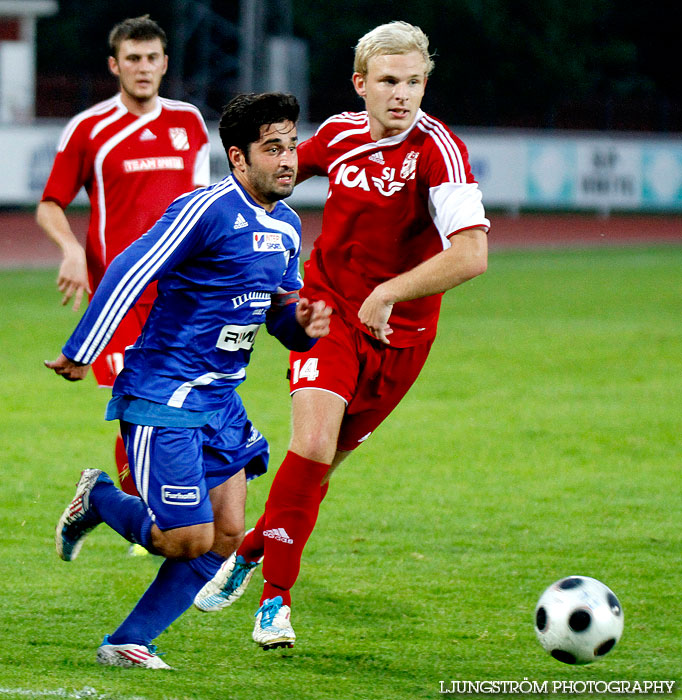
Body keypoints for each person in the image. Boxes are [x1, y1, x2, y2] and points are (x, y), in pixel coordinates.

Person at [193, 21, 490, 650]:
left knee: (320, 469)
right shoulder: (337, 135)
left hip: (402, 335)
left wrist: (389, 292)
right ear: (361, 84)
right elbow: (268, 182)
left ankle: (250, 551)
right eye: (388, 81)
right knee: (312, 443)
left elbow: (471, 256)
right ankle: (276, 601)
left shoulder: (440, 152)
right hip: (325, 310)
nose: (402, 94)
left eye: (414, 81)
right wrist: (219, 226)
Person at [46, 92, 331, 670]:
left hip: (221, 401)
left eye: (293, 145)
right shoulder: (207, 209)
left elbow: (279, 314)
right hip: (165, 396)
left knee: (227, 533)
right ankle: (99, 497)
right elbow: (132, 266)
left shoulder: (289, 226)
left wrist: (300, 325)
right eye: (272, 147)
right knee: (187, 540)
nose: (288, 159)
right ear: (238, 158)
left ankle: (129, 641)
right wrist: (83, 349)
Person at [37, 15, 210, 506]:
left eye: (152, 58)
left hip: (181, 291)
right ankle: (145, 512)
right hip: (122, 292)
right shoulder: (90, 127)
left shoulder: (188, 121)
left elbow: (201, 201)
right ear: (115, 65)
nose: (143, 68)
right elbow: (50, 203)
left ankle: (135, 505)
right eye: (133, 58)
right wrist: (71, 249)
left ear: (164, 63)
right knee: (137, 403)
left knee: (184, 401)